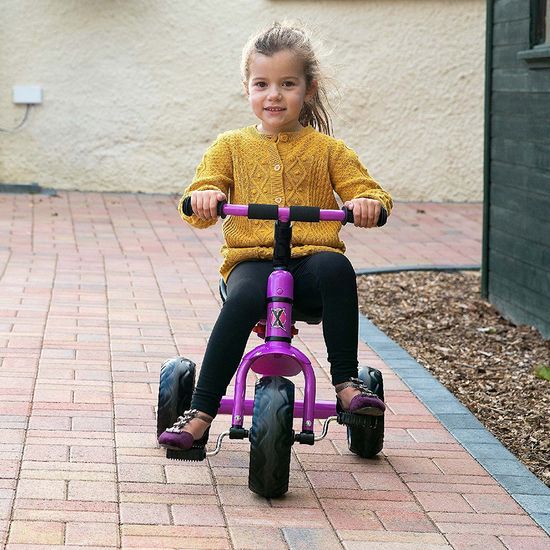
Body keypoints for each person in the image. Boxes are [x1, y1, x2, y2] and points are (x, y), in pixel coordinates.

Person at [159, 21, 393, 451]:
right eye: (262, 83)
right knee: (245, 296)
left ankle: (345, 380)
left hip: (310, 267)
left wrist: (368, 203)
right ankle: (203, 409)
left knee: (337, 267)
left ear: (308, 88)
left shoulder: (329, 151)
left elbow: (368, 191)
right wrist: (206, 196)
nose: (274, 95)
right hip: (251, 262)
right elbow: (196, 198)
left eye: (287, 84)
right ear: (247, 87)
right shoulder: (230, 146)